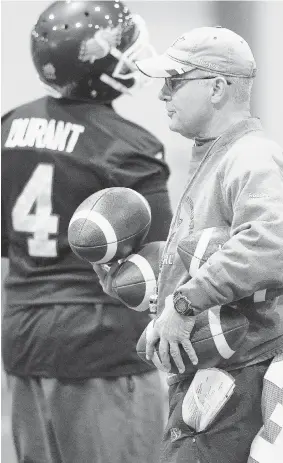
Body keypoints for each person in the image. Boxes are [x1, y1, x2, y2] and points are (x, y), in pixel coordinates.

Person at [97, 26, 283, 463]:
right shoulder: (216, 155)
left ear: (218, 87)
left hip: (241, 379)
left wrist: (183, 305)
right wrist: (137, 284)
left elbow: (271, 241)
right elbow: (208, 258)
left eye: (176, 81)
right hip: (214, 378)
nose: (163, 94)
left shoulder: (250, 156)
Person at [1, 2, 172, 463]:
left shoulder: (10, 126)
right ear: (93, 61)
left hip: (22, 337)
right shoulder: (129, 145)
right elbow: (161, 265)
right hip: (100, 343)